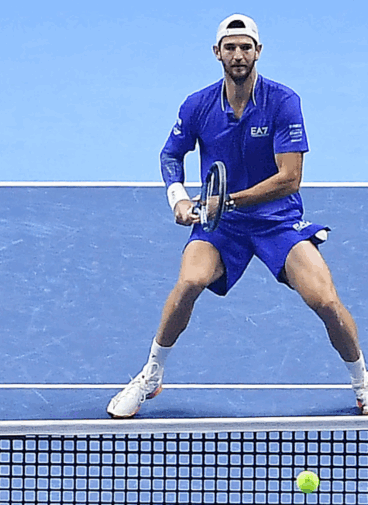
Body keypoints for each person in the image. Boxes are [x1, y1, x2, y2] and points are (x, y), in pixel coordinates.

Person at [106, 14, 368, 418]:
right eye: (230, 47)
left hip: (277, 221)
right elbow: (171, 154)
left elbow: (290, 179)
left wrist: (224, 200)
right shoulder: (197, 105)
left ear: (258, 52)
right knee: (190, 281)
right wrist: (177, 197)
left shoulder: (283, 101)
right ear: (217, 53)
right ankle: (151, 377)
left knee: (325, 301)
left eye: (246, 47)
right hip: (222, 227)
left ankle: (362, 383)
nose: (239, 54)